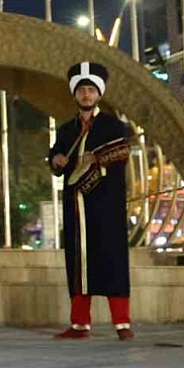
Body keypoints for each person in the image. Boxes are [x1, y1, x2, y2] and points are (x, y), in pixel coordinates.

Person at [48, 61, 134, 341]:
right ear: (75, 94)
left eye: (91, 90)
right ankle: (79, 324)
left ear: (98, 94)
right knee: (78, 263)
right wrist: (56, 159)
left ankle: (121, 323)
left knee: (112, 260)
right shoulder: (66, 130)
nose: (86, 95)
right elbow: (55, 157)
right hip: (76, 207)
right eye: (82, 90)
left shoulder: (114, 126)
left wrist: (96, 157)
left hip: (106, 205)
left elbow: (121, 152)